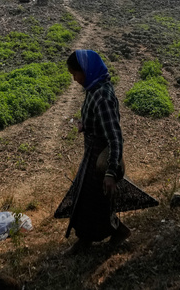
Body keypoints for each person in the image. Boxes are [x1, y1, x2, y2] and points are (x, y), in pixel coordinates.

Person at [56, 50, 131, 254]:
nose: (74, 79)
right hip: (91, 154)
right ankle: (87, 239)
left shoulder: (102, 97)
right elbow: (98, 123)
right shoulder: (93, 88)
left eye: (75, 74)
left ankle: (112, 234)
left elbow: (115, 138)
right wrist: (85, 125)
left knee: (94, 200)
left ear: (86, 71)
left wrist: (110, 173)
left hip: (101, 157)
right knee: (87, 198)